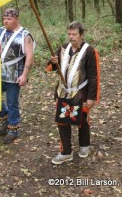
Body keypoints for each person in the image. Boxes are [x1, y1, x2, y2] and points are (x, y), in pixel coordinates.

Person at [47, 21, 101, 165]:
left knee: (81, 120)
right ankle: (66, 152)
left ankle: (84, 145)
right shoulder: (63, 48)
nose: (71, 37)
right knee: (62, 122)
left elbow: (94, 76)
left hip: (80, 93)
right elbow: (52, 67)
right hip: (63, 92)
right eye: (69, 34)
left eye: (74, 34)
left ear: (81, 35)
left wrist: (91, 97)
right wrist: (53, 62)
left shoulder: (90, 51)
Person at [0, 8, 35, 144]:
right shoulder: (0, 31)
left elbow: (30, 57)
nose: (6, 21)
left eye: (9, 19)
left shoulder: (25, 35)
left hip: (15, 75)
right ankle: (5, 115)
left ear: (16, 19)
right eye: (4, 19)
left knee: (12, 102)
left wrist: (24, 75)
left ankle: (13, 129)